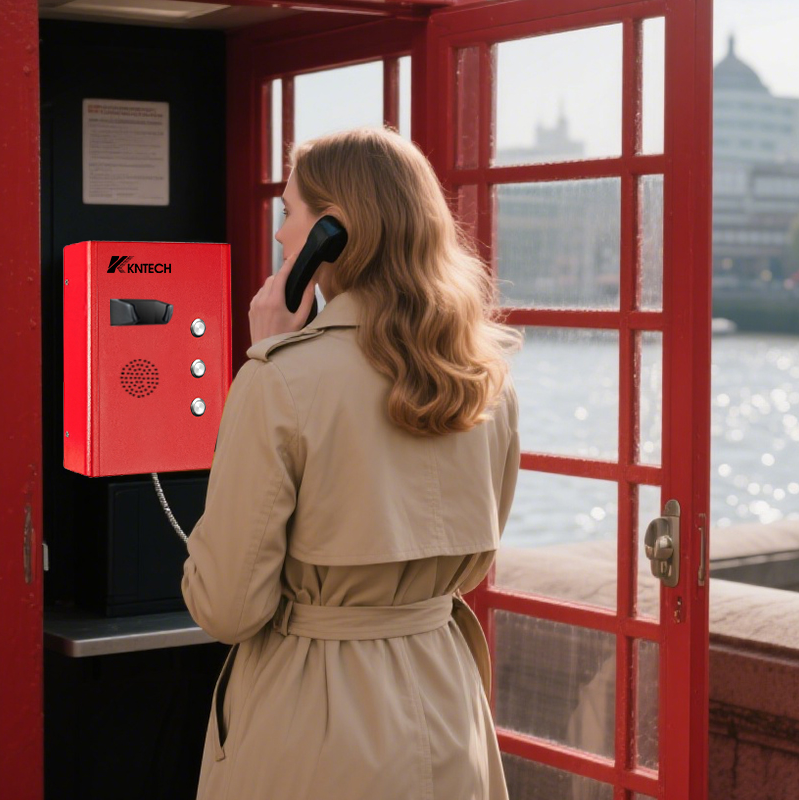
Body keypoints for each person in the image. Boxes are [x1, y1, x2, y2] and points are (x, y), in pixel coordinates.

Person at [181, 126, 522, 800]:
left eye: (289, 212)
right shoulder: (488, 379)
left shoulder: (279, 379)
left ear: (330, 234)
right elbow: (475, 556)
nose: (280, 234)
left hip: (316, 720)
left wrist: (264, 355)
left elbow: (226, 607)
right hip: (448, 703)